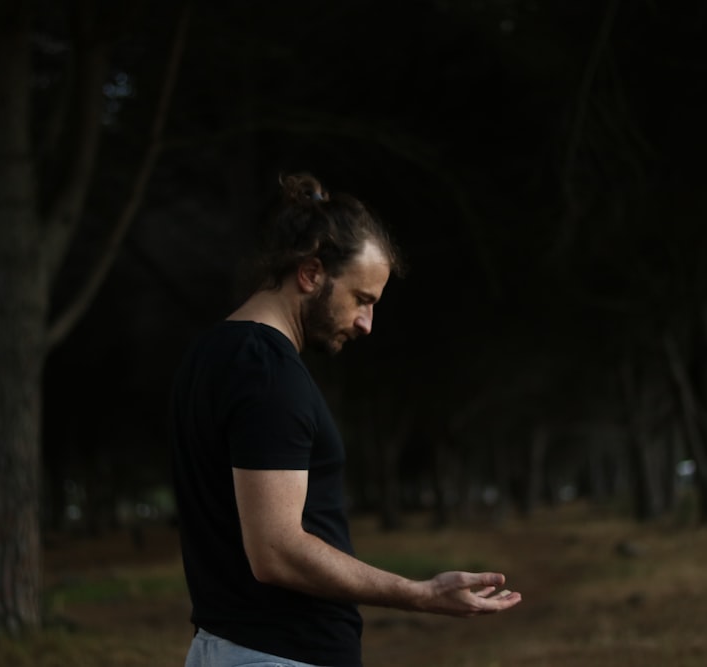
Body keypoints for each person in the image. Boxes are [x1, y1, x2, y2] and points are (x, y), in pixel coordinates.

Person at [169, 172, 521, 667]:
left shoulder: (209, 355)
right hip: (279, 655)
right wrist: (419, 593)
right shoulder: (269, 372)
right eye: (362, 299)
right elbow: (277, 550)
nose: (366, 324)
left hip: (226, 646)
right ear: (311, 273)